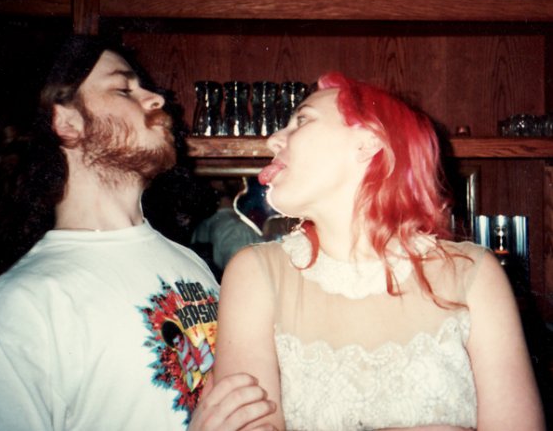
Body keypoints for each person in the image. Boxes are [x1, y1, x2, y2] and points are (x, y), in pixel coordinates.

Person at [0, 35, 276, 431]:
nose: (156, 99)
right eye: (124, 89)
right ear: (67, 122)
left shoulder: (188, 262)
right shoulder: (19, 309)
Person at [213, 72, 545, 430]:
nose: (274, 139)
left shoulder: (473, 274)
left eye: (303, 120)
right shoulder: (255, 274)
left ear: (369, 142)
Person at [192, 178, 264, 278]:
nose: (241, 179)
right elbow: (243, 276)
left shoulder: (204, 225)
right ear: (216, 183)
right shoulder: (236, 228)